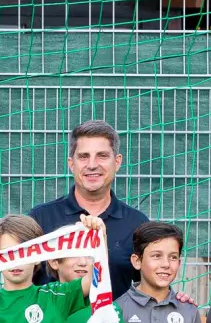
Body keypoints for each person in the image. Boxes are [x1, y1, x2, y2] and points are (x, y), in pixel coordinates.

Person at [28, 120, 149, 296]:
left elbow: (149, 288)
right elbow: (19, 284)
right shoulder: (39, 219)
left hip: (114, 315)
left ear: (117, 162)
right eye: (84, 156)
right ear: (71, 164)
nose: (92, 165)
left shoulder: (137, 224)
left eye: (102, 156)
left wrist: (178, 301)